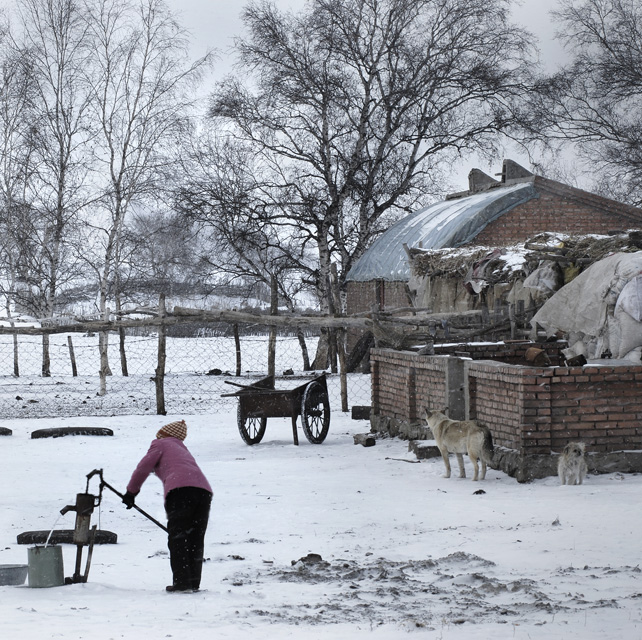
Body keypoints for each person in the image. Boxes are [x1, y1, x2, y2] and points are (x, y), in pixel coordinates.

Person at [123, 419, 212, 592]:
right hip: (203, 492)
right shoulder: (182, 450)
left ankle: (182, 583)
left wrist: (130, 493)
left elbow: (143, 468)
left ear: (164, 434)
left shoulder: (160, 444)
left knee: (178, 537)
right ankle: (193, 583)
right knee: (195, 539)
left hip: (180, 492)